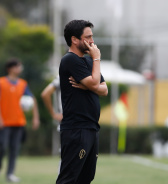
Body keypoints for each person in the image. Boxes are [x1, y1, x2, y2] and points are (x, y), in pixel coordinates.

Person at [56, 20, 108, 184]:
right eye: (88, 37)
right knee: (69, 178)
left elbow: (104, 89)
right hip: (76, 129)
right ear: (75, 40)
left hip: (91, 127)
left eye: (92, 37)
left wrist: (89, 86)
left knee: (86, 178)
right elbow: (95, 83)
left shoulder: (87, 61)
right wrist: (97, 60)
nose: (92, 41)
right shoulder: (70, 60)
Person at [0, 58, 40, 183]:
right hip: (4, 123)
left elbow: (32, 100)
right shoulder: (1, 83)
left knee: (14, 148)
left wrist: (35, 117)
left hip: (18, 122)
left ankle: (10, 174)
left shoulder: (23, 84)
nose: (20, 69)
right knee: (2, 147)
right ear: (11, 68)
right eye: (18, 66)